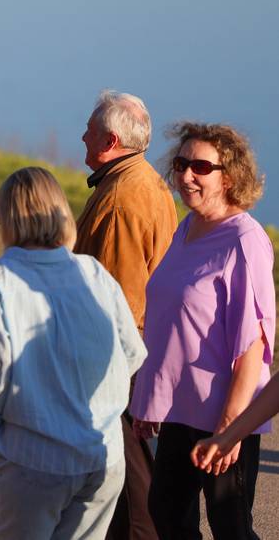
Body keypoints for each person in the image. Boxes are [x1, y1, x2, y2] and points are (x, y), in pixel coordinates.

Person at [0, 167, 146, 539]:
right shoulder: (93, 272)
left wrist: (1, 442)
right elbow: (133, 354)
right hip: (104, 454)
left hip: (35, 455)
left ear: (10, 218)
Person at [129, 122, 274, 539]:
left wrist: (230, 431)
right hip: (180, 409)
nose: (186, 174)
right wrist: (148, 399)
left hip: (225, 414)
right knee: (168, 512)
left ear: (228, 177)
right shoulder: (188, 227)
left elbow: (254, 344)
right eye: (180, 163)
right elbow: (173, 321)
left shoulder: (244, 241)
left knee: (231, 525)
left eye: (200, 167)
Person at [74, 90, 177, 540]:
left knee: (130, 482)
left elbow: (116, 302)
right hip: (141, 355)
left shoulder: (121, 199)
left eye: (90, 131)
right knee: (125, 478)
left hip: (120, 364)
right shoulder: (144, 179)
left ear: (111, 139)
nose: (82, 136)